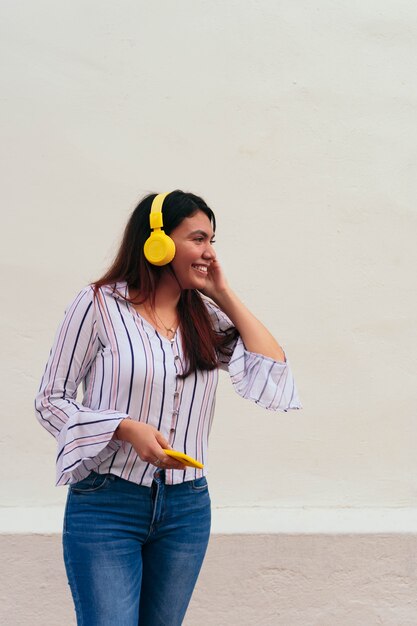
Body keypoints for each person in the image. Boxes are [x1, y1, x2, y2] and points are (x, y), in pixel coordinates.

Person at [35, 189, 301, 626]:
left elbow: (272, 367)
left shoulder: (204, 317)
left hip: (187, 507)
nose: (209, 253)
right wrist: (121, 427)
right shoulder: (98, 305)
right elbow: (50, 401)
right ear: (157, 242)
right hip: (108, 503)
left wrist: (224, 292)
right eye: (198, 239)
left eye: (213, 241)